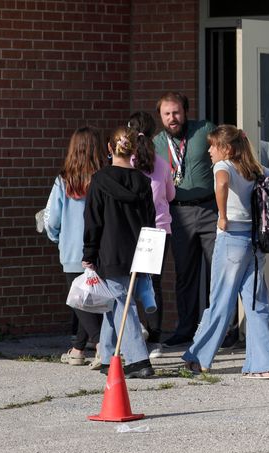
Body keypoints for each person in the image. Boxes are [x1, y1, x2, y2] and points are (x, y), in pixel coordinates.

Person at [182, 125, 269, 375]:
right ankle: (266, 365)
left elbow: (221, 185)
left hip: (231, 237)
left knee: (221, 300)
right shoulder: (254, 167)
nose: (209, 150)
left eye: (213, 145)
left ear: (227, 148)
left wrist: (222, 215)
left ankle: (199, 358)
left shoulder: (224, 166)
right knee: (257, 301)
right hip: (254, 240)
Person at [83, 126, 156, 379]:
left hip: (110, 251)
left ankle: (138, 361)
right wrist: (150, 257)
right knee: (115, 303)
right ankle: (106, 356)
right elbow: (150, 221)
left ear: (110, 149)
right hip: (138, 250)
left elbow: (93, 220)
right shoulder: (144, 182)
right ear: (134, 150)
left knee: (121, 304)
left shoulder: (100, 180)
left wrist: (89, 253)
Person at [153, 92, 218, 348]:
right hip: (177, 214)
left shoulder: (205, 130)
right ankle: (186, 328)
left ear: (185, 111)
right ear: (160, 116)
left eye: (176, 112)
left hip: (209, 209)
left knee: (218, 272)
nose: (172, 118)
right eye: (167, 114)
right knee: (185, 274)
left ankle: (223, 328)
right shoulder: (156, 143)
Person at [45, 127, 107, 370]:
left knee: (79, 300)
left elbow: (52, 219)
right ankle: (78, 351)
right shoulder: (103, 178)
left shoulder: (64, 180)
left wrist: (56, 236)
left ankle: (101, 344)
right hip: (99, 247)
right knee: (88, 299)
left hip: (72, 248)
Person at [127, 111, 175, 359]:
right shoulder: (163, 164)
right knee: (153, 284)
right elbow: (170, 196)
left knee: (129, 282)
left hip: (132, 230)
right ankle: (155, 340)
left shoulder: (127, 163)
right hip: (159, 230)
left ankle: (137, 332)